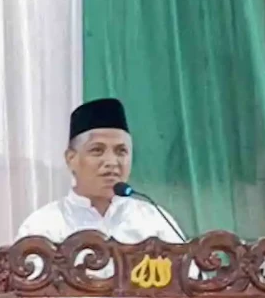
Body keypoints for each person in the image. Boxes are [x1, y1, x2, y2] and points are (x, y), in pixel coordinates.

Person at [15, 98, 186, 244]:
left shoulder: (155, 222)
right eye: (97, 150)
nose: (111, 162)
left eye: (121, 151)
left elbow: (189, 271)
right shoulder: (43, 227)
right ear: (71, 159)